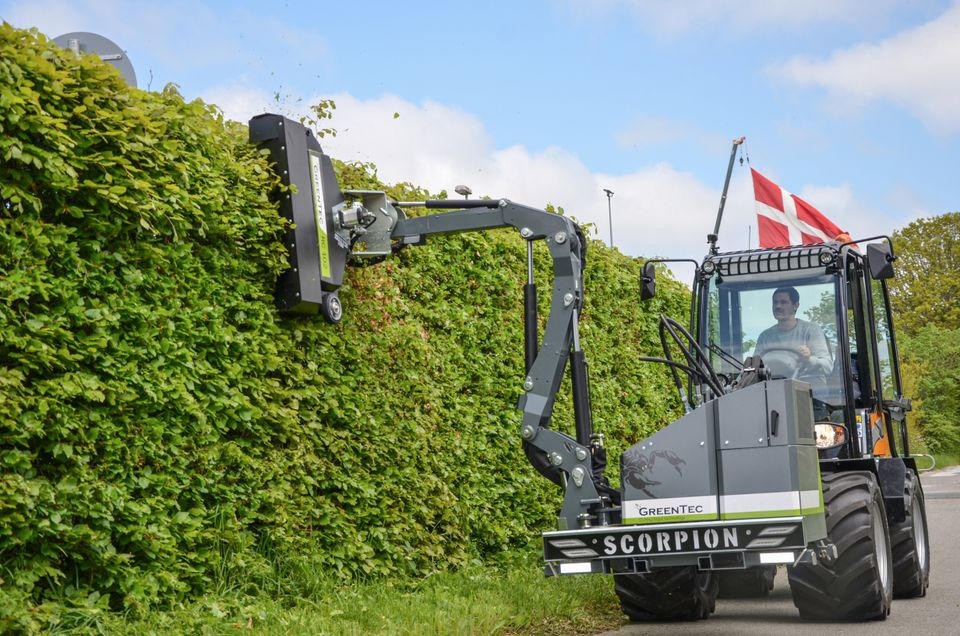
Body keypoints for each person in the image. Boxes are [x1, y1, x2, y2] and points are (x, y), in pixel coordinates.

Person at [755, 287, 832, 387]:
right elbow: (754, 366)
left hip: (810, 392)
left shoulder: (811, 330)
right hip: (774, 389)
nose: (778, 306)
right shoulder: (765, 336)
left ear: (795, 305)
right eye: (775, 302)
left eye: (783, 302)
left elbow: (827, 366)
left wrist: (808, 359)